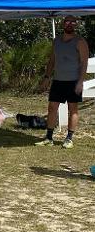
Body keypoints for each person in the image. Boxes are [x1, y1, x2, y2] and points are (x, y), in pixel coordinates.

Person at [35, 15, 89, 149]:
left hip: (73, 81)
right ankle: (49, 137)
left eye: (73, 22)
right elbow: (52, 60)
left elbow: (84, 63)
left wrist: (80, 81)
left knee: (73, 109)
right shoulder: (57, 41)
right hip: (58, 80)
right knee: (52, 108)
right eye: (67, 22)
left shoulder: (80, 41)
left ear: (76, 25)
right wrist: (47, 77)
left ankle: (69, 138)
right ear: (63, 24)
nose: (70, 24)